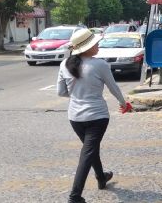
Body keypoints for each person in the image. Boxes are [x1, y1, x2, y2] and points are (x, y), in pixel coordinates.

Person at [57, 29, 128, 203]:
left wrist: (77, 97)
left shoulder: (64, 64)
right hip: (97, 117)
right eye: (95, 43)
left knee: (90, 149)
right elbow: (113, 88)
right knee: (87, 152)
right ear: (86, 48)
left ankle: (101, 177)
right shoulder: (100, 65)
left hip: (75, 117)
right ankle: (75, 196)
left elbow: (61, 92)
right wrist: (123, 103)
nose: (98, 45)